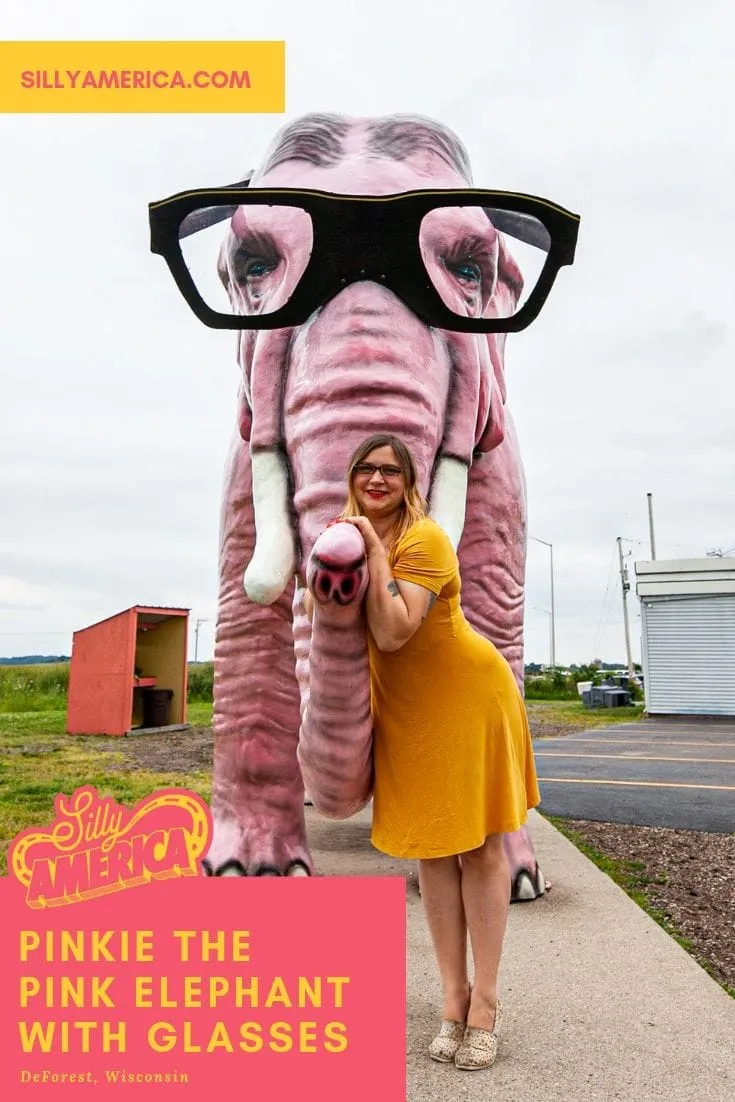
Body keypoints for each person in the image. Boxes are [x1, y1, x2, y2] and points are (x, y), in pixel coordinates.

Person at [309, 431, 541, 1071]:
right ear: (352, 477)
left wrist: (376, 552)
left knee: (479, 846)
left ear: (410, 483)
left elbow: (392, 629)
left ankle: (486, 1006)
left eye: (390, 471)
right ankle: (452, 1000)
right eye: (366, 469)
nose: (377, 479)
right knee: (433, 852)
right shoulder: (344, 534)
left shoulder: (425, 539)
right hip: (407, 715)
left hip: (467, 698)